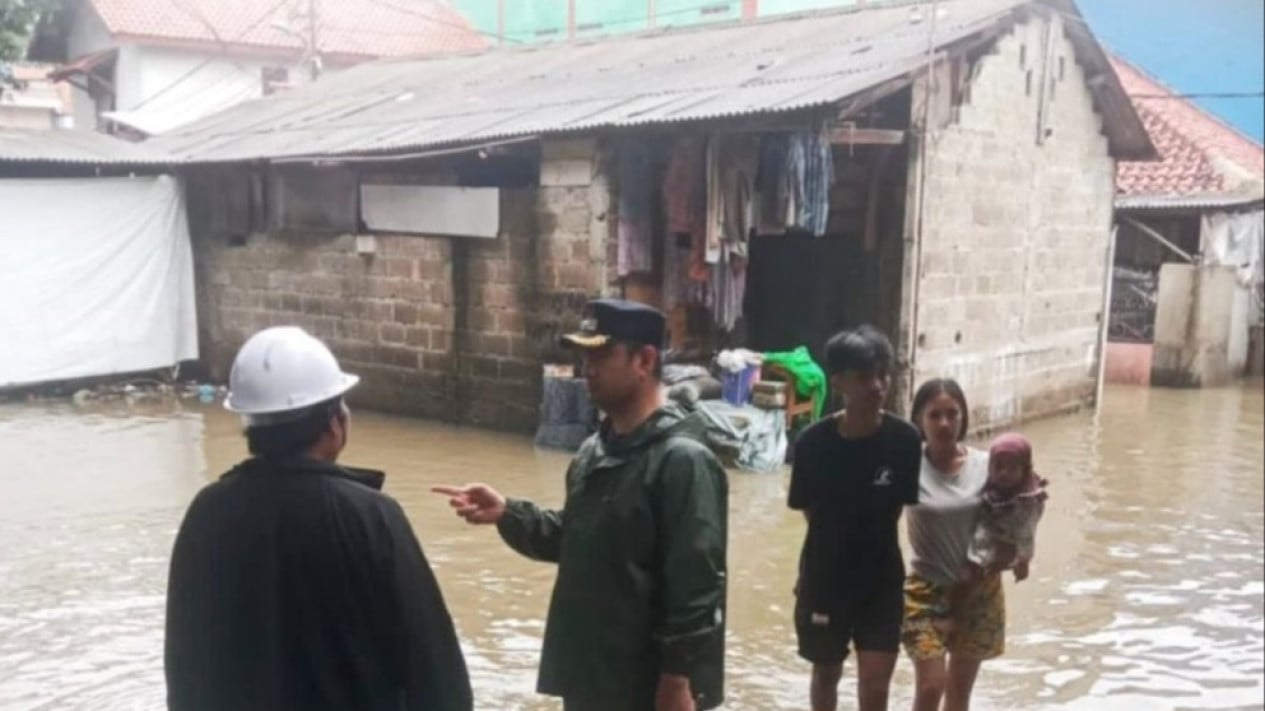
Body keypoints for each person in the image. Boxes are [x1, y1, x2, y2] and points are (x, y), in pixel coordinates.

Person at [432, 298, 728, 711]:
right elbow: (578, 537)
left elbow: (697, 586)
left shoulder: (682, 460)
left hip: (647, 686)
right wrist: (509, 513)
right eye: (585, 355)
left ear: (644, 361)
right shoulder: (595, 451)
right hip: (592, 673)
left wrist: (678, 681)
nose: (588, 369)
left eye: (602, 355)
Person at [165, 326, 472, 711]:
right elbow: (433, 665)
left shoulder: (207, 513)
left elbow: (185, 662)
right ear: (332, 423)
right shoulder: (372, 517)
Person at [788, 325, 922, 711]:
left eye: (883, 374)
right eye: (866, 376)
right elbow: (812, 514)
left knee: (876, 687)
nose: (879, 386)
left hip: (881, 581)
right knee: (826, 675)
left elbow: (895, 510)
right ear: (840, 381)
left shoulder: (905, 440)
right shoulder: (812, 444)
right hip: (824, 578)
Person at [903, 378, 1013, 711]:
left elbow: (1015, 514)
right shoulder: (907, 465)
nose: (944, 424)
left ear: (964, 417)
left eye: (953, 414)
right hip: (925, 591)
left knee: (958, 693)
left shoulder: (986, 466)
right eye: (935, 415)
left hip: (978, 589)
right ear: (920, 419)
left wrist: (1015, 552)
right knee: (930, 686)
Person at [965, 433, 1049, 583]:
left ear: (1024, 470)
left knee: (985, 542)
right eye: (998, 467)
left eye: (1012, 468)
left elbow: (1026, 535)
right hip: (992, 523)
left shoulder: (1028, 502)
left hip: (1011, 530)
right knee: (979, 537)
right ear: (989, 467)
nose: (1004, 473)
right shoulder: (985, 483)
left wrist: (1023, 562)